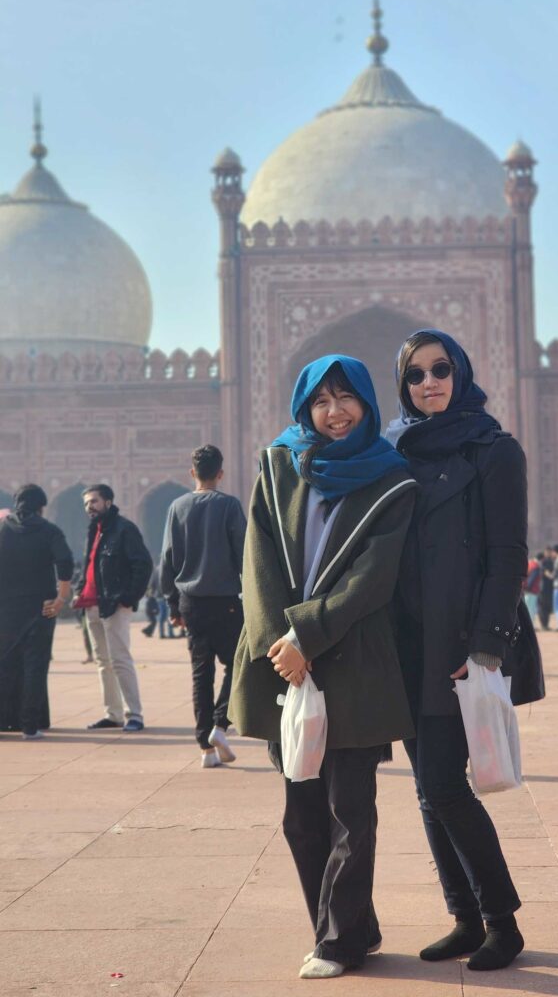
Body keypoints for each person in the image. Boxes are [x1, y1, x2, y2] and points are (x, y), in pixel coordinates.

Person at [228, 355, 417, 979]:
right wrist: (279, 644)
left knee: (348, 811)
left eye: (346, 399)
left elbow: (374, 578)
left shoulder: (391, 479)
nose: (335, 412)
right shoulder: (279, 466)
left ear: (367, 404)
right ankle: (351, 927)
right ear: (304, 408)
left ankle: (338, 942)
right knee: (301, 818)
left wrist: (307, 635)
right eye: (321, 401)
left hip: (353, 659)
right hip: (285, 664)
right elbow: (257, 561)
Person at [388, 329, 544, 973]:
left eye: (441, 369)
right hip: (406, 642)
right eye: (416, 374)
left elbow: (508, 555)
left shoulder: (494, 449)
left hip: (458, 641)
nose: (429, 382)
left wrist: (486, 644)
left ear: (461, 373)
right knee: (429, 788)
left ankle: (501, 922)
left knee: (446, 786)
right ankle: (465, 918)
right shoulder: (394, 451)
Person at [161, 444, 247, 768]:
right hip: (225, 601)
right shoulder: (228, 505)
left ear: (192, 473)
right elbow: (244, 554)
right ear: (220, 473)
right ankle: (220, 726)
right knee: (238, 664)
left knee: (201, 673)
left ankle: (205, 750)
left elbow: (167, 559)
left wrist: (172, 605)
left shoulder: (177, 507)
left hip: (191, 602)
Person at [73, 484, 153, 731]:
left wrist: (128, 598)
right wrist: (79, 590)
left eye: (94, 501)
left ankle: (134, 714)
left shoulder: (124, 529)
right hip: (92, 604)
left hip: (114, 604)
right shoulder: (93, 530)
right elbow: (88, 566)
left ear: (108, 502)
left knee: (119, 659)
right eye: (86, 503)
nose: (89, 507)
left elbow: (143, 564)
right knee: (102, 662)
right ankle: (113, 714)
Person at [0, 485, 73, 738]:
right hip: (41, 608)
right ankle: (30, 726)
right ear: (41, 506)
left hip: (5, 609)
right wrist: (61, 597)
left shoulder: (2, 529)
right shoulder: (48, 530)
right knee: (35, 666)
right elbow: (65, 561)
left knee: (5, 663)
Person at [537, 546, 555, 630]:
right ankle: (543, 625)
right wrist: (551, 576)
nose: (549, 553)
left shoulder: (552, 561)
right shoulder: (543, 561)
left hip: (550, 588)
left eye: (550, 552)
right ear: (545, 552)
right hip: (543, 587)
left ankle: (546, 625)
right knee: (543, 607)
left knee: (547, 607)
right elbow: (545, 571)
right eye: (548, 552)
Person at [524, 553, 542, 624]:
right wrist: (528, 588)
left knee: (527, 608)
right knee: (531, 609)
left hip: (526, 590)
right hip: (531, 590)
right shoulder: (536, 566)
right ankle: (530, 625)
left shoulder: (529, 564)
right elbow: (532, 579)